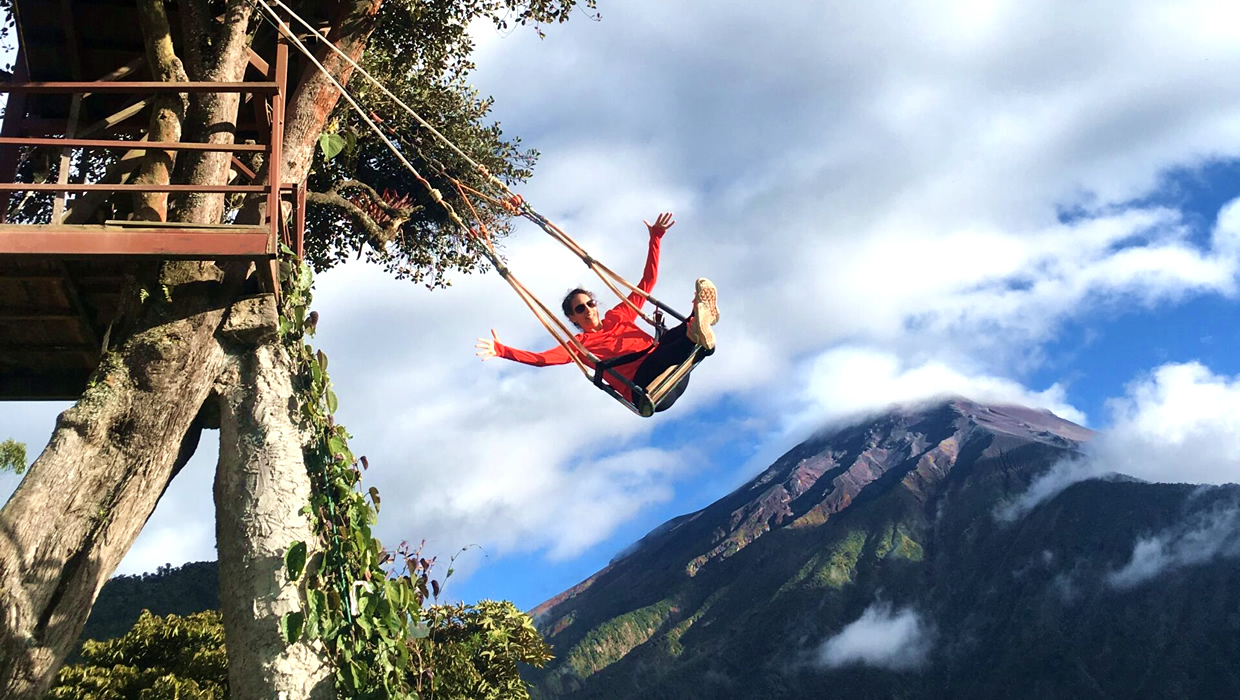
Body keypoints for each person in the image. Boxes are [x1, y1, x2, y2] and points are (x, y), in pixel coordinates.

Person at [474, 212, 719, 413]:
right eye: (580, 309)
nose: (588, 310)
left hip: (675, 369)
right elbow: (543, 359)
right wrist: (502, 351)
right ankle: (695, 329)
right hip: (648, 387)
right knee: (660, 353)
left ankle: (699, 320)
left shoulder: (619, 315)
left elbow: (647, 282)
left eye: (590, 303)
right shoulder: (581, 344)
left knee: (666, 340)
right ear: (572, 318)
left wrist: (655, 238)